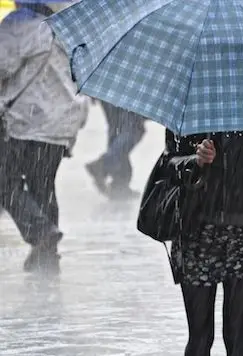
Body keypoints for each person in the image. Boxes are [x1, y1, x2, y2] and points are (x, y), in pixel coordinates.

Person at [157, 129, 243, 356]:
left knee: (236, 335)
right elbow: (169, 164)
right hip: (196, 233)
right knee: (200, 336)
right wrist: (195, 160)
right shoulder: (194, 106)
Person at [0, 1, 88, 273]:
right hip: (63, 122)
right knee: (43, 185)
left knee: (5, 181)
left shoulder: (21, 23)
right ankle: (48, 256)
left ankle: (41, 233)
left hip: (26, 120)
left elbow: (3, 66)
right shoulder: (74, 28)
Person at [85, 101, 146, 200]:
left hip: (111, 91)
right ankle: (104, 165)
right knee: (132, 129)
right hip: (126, 92)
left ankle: (119, 183)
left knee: (117, 128)